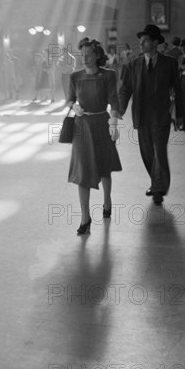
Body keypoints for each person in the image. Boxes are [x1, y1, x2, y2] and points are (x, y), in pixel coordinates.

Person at [118, 24, 184, 206]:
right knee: (147, 154)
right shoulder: (133, 65)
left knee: (159, 152)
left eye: (145, 40)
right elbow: (125, 89)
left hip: (161, 116)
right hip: (142, 116)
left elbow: (179, 89)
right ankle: (156, 183)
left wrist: (180, 114)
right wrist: (121, 108)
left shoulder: (169, 63)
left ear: (155, 43)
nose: (141, 43)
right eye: (141, 40)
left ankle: (158, 188)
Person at [66, 39, 122, 235]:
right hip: (81, 127)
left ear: (98, 55)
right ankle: (85, 217)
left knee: (104, 167)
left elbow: (114, 100)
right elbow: (70, 99)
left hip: (102, 124)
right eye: (82, 54)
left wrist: (113, 122)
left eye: (89, 54)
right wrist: (74, 107)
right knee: (82, 172)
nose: (85, 58)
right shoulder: (75, 76)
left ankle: (107, 200)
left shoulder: (108, 75)